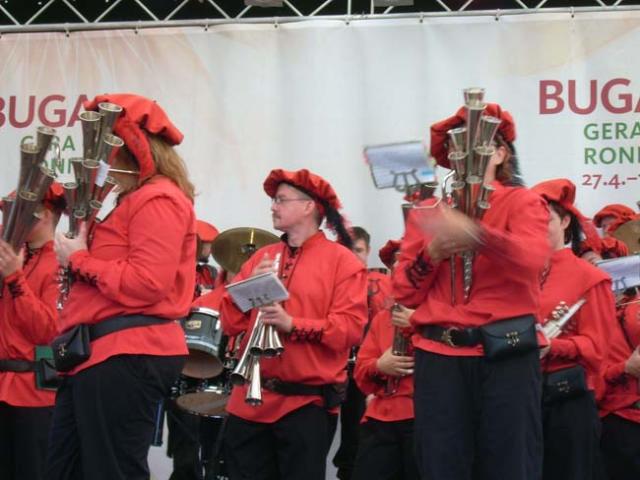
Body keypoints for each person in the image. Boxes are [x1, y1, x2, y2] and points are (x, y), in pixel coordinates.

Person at [393, 102, 550, 480]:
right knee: (441, 465)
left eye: (480, 144)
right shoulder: (429, 211)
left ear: (500, 154)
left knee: (510, 465)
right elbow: (402, 292)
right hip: (439, 357)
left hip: (506, 355)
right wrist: (431, 254)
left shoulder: (523, 201)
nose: (466, 154)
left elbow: (532, 259)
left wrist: (477, 235)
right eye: (457, 146)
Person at [47, 93, 196, 480]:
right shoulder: (135, 200)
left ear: (130, 146)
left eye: (107, 141)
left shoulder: (158, 198)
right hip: (98, 355)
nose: (101, 154)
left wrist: (79, 260)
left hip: (125, 355)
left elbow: (148, 282)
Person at [220, 168, 368, 480]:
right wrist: (249, 287)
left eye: (281, 200)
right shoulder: (262, 257)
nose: (273, 207)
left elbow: (350, 329)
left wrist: (293, 324)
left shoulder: (343, 262)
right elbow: (230, 324)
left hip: (305, 405)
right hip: (249, 402)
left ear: (308, 206)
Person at [531, 178, 614, 480]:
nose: (537, 226)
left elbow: (598, 348)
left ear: (565, 221)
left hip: (567, 402)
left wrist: (554, 346)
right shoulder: (515, 275)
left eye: (546, 219)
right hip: (520, 397)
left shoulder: (589, 277)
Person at [0, 184, 65, 480]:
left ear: (45, 214)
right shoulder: (14, 255)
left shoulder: (60, 263)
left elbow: (47, 332)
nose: (10, 219)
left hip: (34, 396)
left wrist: (15, 278)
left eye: (18, 211)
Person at [351, 239, 419, 480]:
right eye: (395, 266)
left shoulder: (436, 317)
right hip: (381, 418)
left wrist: (418, 323)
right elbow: (361, 371)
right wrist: (380, 365)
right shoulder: (382, 319)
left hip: (422, 418)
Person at [333, 225, 392, 480]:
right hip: (332, 366)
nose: (351, 255)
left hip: (365, 370)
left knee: (358, 436)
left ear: (367, 252)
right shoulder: (330, 283)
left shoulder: (382, 283)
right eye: (346, 250)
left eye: (357, 250)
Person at [194, 220, 219, 298]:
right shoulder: (177, 273)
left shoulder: (209, 272)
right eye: (211, 245)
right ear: (199, 244)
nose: (212, 250)